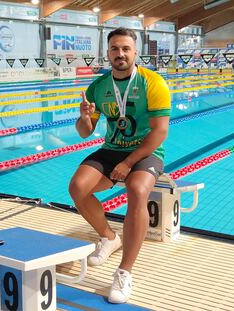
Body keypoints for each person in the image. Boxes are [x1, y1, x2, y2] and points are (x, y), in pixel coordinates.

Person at [69, 27, 171, 304]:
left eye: (125, 48)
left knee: (137, 191)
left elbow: (159, 132)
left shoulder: (153, 83)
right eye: (115, 49)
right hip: (111, 149)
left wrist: (128, 163)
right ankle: (109, 237)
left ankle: (124, 272)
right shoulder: (99, 87)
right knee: (78, 188)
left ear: (135, 52)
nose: (120, 54)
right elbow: (84, 132)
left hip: (145, 152)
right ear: (108, 53)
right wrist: (85, 117)